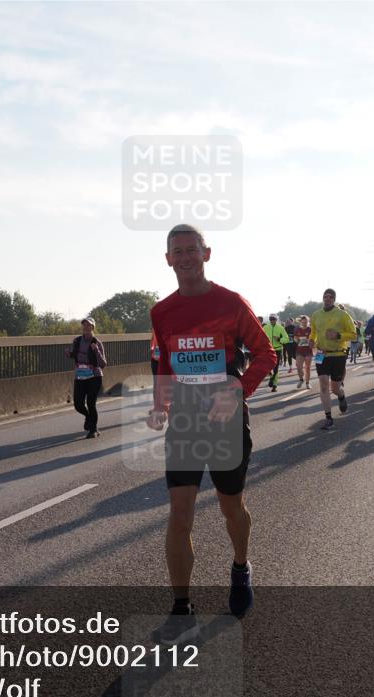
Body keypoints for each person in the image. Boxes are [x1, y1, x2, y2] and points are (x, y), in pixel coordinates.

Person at [147, 224, 277, 643]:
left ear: (207, 253)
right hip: (185, 422)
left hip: (226, 422)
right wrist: (161, 403)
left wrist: (238, 390)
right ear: (168, 259)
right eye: (177, 251)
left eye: (192, 249)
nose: (185, 257)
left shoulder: (231, 303)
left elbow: (266, 354)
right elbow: (166, 362)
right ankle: (181, 608)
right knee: (179, 514)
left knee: (230, 508)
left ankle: (240, 567)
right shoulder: (161, 312)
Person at [310, 288, 356, 429]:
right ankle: (328, 418)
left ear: (334, 299)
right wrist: (311, 340)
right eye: (325, 296)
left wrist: (338, 336)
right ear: (323, 298)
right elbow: (313, 332)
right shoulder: (316, 315)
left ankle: (341, 395)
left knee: (335, 388)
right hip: (321, 354)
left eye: (330, 297)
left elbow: (353, 334)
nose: (328, 299)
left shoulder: (343, 315)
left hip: (338, 354)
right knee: (324, 385)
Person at [66, 317, 107, 438]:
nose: (86, 327)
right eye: (84, 325)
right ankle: (89, 417)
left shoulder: (97, 342)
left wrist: (96, 351)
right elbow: (75, 355)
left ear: (93, 327)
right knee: (78, 404)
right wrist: (69, 354)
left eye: (88, 325)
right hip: (80, 376)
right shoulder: (77, 341)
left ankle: (93, 430)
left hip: (94, 376)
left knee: (90, 403)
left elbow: (103, 364)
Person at [263, 314, 289, 392]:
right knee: (268, 366)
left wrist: (279, 339)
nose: (272, 321)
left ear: (276, 320)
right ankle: (271, 376)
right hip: (268, 349)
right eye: (270, 319)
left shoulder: (280, 328)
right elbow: (260, 336)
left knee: (276, 367)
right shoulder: (265, 327)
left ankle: (274, 385)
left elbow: (286, 339)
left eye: (273, 319)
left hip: (278, 349)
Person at [294, 314, 314, 389]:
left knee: (307, 368)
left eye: (306, 322)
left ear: (308, 322)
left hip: (308, 351)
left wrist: (310, 341)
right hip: (299, 351)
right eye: (303, 322)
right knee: (298, 367)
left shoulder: (310, 329)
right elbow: (295, 339)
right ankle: (301, 379)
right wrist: (297, 340)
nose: (304, 324)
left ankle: (307, 383)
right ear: (300, 322)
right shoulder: (297, 329)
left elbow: (314, 339)